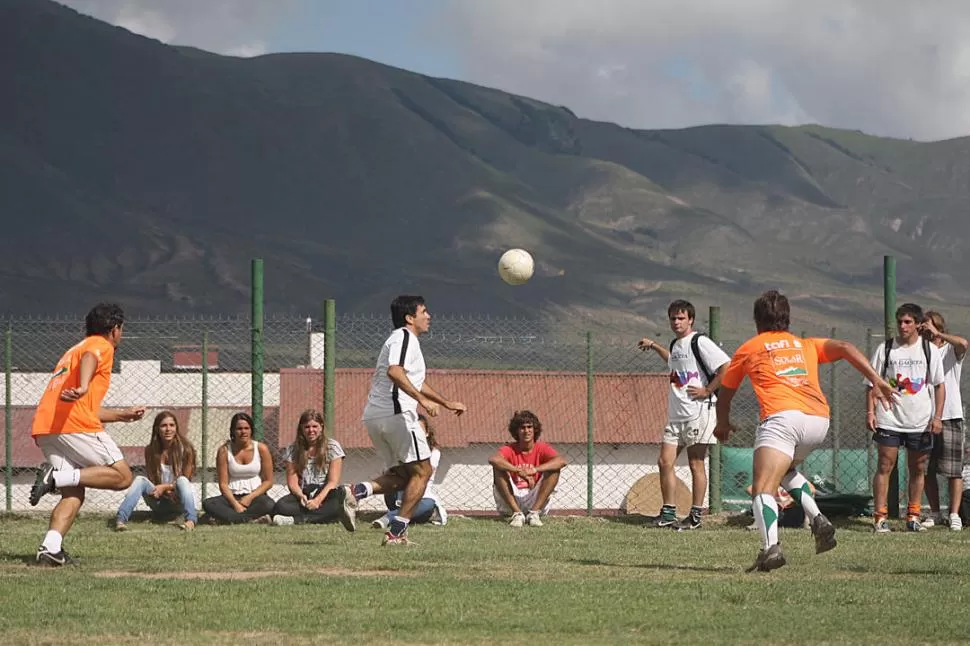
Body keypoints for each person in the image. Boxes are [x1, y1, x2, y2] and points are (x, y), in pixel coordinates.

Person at [715, 290, 895, 572]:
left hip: (782, 419)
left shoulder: (750, 348)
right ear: (787, 319)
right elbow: (846, 346)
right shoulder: (805, 345)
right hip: (818, 420)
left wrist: (722, 424)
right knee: (785, 471)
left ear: (757, 320)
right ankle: (818, 518)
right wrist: (876, 379)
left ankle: (770, 548)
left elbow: (725, 394)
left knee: (763, 488)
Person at [29, 302, 146, 566]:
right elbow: (91, 357)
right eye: (121, 329)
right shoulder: (100, 346)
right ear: (114, 329)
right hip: (74, 425)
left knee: (74, 493)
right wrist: (83, 386)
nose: (121, 335)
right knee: (123, 476)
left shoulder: (72, 350)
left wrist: (122, 415)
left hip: (48, 427)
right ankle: (55, 477)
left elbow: (89, 407)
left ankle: (50, 548)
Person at [347, 295, 467, 546]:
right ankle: (396, 534)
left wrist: (445, 403)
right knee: (423, 471)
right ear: (409, 318)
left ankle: (356, 492)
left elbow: (416, 380)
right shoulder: (404, 337)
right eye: (424, 311)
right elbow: (395, 372)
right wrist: (422, 402)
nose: (429, 316)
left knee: (404, 477)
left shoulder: (403, 341)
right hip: (397, 414)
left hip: (377, 417)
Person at [639, 299, 730, 530]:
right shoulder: (676, 344)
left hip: (698, 411)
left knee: (696, 463)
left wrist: (708, 389)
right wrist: (654, 345)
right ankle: (668, 512)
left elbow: (726, 366)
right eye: (673, 318)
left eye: (681, 318)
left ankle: (696, 516)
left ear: (690, 319)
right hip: (676, 414)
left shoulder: (700, 342)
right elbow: (672, 361)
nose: (676, 322)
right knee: (664, 461)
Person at [867, 303, 945, 533]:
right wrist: (870, 411)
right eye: (900, 321)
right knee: (884, 465)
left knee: (918, 467)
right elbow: (871, 384)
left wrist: (937, 417)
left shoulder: (929, 350)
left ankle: (913, 515)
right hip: (889, 417)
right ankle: (880, 517)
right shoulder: (886, 348)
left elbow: (939, 386)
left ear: (918, 324)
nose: (903, 326)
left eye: (908, 321)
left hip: (919, 419)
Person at [920, 311, 967, 531]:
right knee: (926, 468)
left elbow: (963, 344)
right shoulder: (920, 351)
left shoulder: (949, 350)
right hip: (924, 417)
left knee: (953, 469)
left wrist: (938, 334)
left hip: (951, 416)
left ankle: (954, 513)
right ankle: (935, 511)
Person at [269, 409, 355, 528]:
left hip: (325, 493)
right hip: (304, 492)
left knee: (338, 505)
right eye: (307, 427)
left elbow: (332, 482)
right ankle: (322, 517)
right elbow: (292, 483)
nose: (311, 430)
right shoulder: (292, 449)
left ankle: (295, 520)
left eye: (315, 426)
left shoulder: (332, 446)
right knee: (281, 506)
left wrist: (318, 500)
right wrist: (301, 496)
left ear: (321, 427)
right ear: (301, 429)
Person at [115, 411, 198, 531]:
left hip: (179, 499)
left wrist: (166, 487)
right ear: (157, 429)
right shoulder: (150, 450)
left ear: (176, 428)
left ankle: (190, 521)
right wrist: (163, 491)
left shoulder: (186, 449)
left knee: (182, 481)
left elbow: (187, 479)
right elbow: (153, 480)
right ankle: (120, 520)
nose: (168, 429)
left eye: (171, 425)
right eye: (164, 426)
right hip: (161, 500)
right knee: (140, 480)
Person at [489, 410, 567, 527]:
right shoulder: (509, 448)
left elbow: (561, 461)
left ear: (535, 429)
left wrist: (535, 470)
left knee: (554, 469)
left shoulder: (541, 448)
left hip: (534, 497)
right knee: (498, 468)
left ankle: (534, 514)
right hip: (512, 498)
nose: (526, 431)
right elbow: (494, 459)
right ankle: (517, 514)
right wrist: (518, 471)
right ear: (516, 431)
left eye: (529, 427)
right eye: (522, 428)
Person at [373, 414, 448, 529]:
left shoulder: (433, 453)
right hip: (396, 496)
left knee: (428, 504)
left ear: (427, 433)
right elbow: (387, 473)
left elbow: (420, 475)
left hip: (421, 498)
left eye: (420, 431)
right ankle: (400, 515)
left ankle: (388, 518)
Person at [201, 412, 275, 524]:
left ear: (251, 430)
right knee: (208, 504)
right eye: (239, 429)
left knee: (268, 504)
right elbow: (223, 484)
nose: (243, 432)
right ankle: (249, 519)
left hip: (255, 496)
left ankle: (226, 519)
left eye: (246, 428)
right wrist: (235, 504)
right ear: (233, 431)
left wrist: (249, 498)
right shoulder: (224, 451)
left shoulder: (261, 449)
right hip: (232, 497)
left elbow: (268, 482)